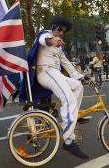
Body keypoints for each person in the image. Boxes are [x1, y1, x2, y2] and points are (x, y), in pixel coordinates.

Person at [21, 16, 89, 159]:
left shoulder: (60, 47)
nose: (61, 33)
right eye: (60, 29)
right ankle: (69, 140)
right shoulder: (45, 34)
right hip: (45, 72)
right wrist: (52, 40)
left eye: (64, 31)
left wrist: (79, 76)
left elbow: (66, 63)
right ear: (54, 27)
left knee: (77, 86)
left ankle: (72, 118)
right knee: (69, 99)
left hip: (55, 74)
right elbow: (44, 40)